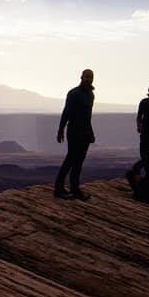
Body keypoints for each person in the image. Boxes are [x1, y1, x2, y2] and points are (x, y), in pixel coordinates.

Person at [53, 69, 95, 200]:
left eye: (91, 77)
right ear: (81, 77)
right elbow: (66, 112)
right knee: (70, 159)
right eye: (86, 76)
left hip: (85, 132)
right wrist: (61, 130)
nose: (88, 79)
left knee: (79, 162)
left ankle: (74, 189)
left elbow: (88, 116)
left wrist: (91, 132)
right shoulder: (74, 93)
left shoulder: (91, 95)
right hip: (74, 131)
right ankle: (59, 188)